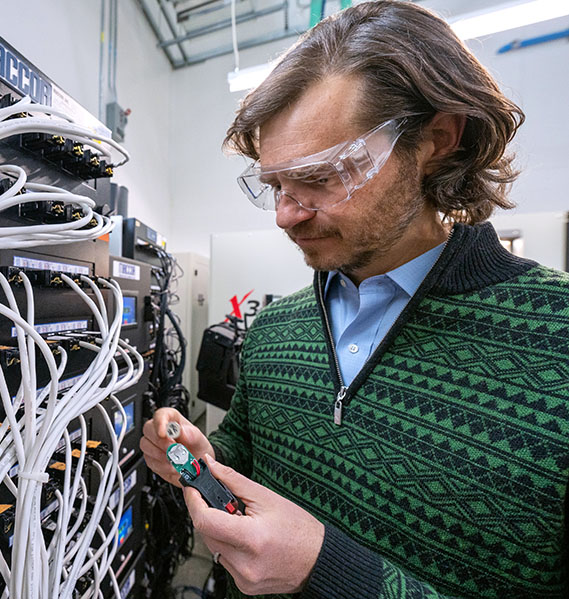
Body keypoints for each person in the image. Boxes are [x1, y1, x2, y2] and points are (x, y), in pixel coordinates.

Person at [140, 2, 569, 598]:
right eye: (276, 186)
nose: (287, 214)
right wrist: (203, 455)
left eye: (319, 176)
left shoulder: (557, 340)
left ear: (436, 141)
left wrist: (328, 571)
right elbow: (247, 453)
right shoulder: (276, 328)